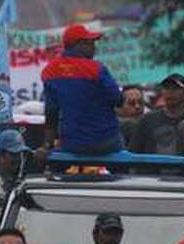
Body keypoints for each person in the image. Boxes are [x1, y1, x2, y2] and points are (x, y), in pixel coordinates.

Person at [42, 23, 123, 153]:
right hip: (106, 142)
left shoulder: (49, 71)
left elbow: (51, 114)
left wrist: (47, 145)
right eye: (90, 43)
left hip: (73, 145)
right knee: (124, 170)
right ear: (77, 44)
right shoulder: (97, 69)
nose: (94, 47)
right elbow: (118, 99)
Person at [0, 130, 30, 234]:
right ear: (0, 156)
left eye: (20, 154)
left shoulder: (12, 181)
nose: (18, 159)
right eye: (13, 154)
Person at [130, 73, 184, 155]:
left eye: (176, 88)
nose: (170, 92)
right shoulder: (147, 120)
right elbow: (133, 152)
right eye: (167, 88)